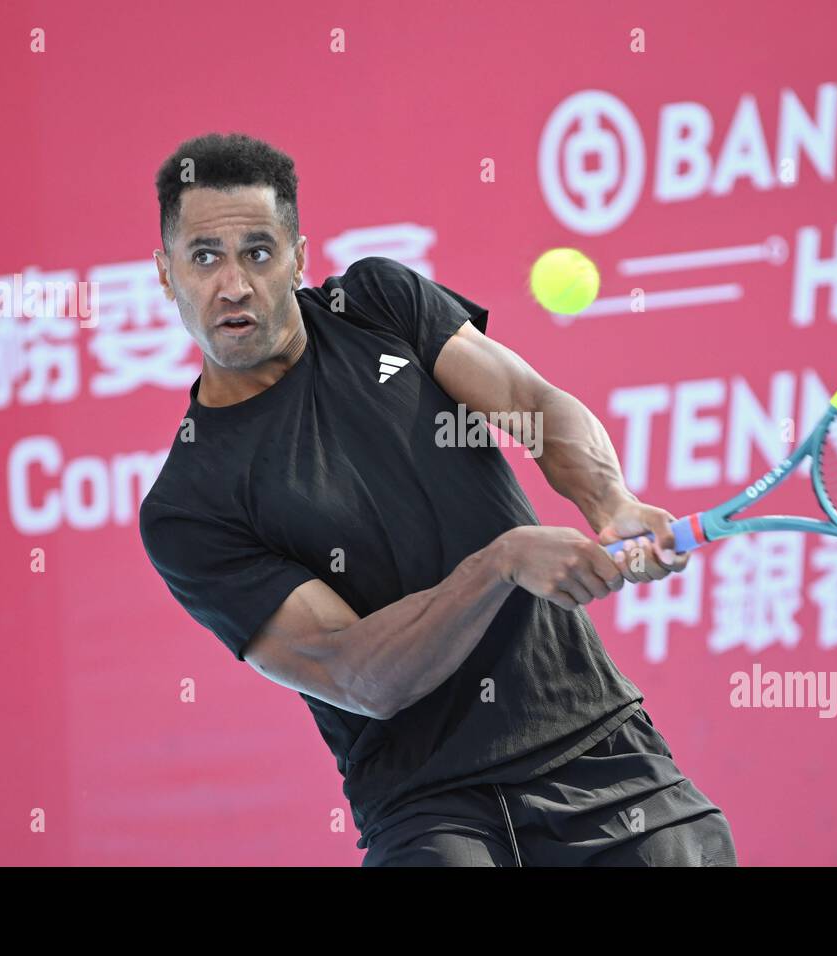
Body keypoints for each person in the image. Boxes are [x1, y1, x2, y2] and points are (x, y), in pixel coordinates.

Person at [138, 132, 737, 866]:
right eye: (205, 257)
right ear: (165, 274)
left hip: (594, 742)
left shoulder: (378, 302)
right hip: (430, 807)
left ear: (299, 256)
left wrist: (609, 500)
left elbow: (528, 400)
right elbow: (357, 673)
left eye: (259, 253)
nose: (233, 285)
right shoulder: (189, 507)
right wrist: (500, 565)